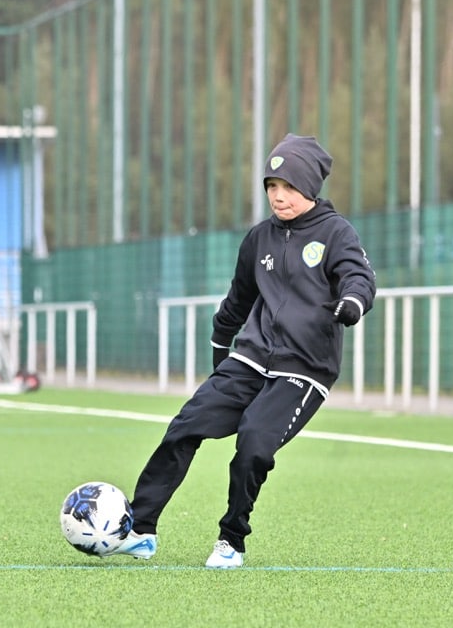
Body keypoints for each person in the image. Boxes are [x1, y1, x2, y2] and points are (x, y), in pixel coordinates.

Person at [113, 133, 376, 568]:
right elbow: (236, 301)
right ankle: (141, 529)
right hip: (250, 359)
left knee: (254, 443)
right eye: (272, 186)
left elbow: (358, 277)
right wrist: (222, 349)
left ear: (309, 186)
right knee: (185, 426)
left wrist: (352, 303)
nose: (278, 195)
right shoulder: (259, 239)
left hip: (304, 371)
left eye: (288, 186)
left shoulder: (336, 233)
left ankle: (231, 540)